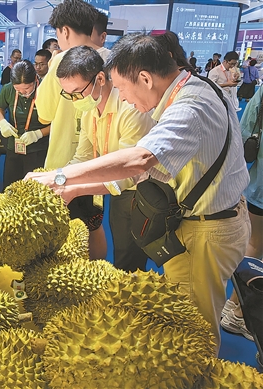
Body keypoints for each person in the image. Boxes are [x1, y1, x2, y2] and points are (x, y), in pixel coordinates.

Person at [26, 33, 250, 355]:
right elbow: (138, 175)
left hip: (207, 229)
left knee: (192, 330)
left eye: (122, 88)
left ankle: (197, 375)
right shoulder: (196, 89)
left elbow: (139, 159)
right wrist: (71, 188)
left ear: (145, 78)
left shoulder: (191, 107)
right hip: (201, 222)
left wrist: (59, 175)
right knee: (180, 317)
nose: (124, 98)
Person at [57, 45, 156, 271]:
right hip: (114, 189)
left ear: (100, 78)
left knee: (129, 260)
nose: (74, 100)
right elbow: (82, 156)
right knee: (118, 244)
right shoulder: (88, 108)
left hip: (141, 193)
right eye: (68, 94)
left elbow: (130, 172)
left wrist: (73, 188)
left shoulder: (131, 108)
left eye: (76, 92)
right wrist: (58, 177)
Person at [35, 0, 107, 259]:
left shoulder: (60, 62)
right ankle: (97, 276)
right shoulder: (107, 58)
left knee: (64, 233)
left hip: (63, 162)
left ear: (64, 31)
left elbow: (43, 114)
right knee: (94, 225)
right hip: (103, 166)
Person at [221, 86, 263, 341]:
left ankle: (235, 308)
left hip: (258, 184)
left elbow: (245, 130)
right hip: (259, 188)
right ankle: (236, 310)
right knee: (255, 245)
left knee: (254, 244)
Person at [0, 60, 50, 188]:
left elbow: (58, 122)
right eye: (18, 89)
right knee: (10, 186)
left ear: (35, 80)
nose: (23, 93)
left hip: (38, 149)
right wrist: (2, 122)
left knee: (34, 190)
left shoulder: (45, 90)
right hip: (13, 146)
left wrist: (38, 134)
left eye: (26, 88)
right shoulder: (8, 89)